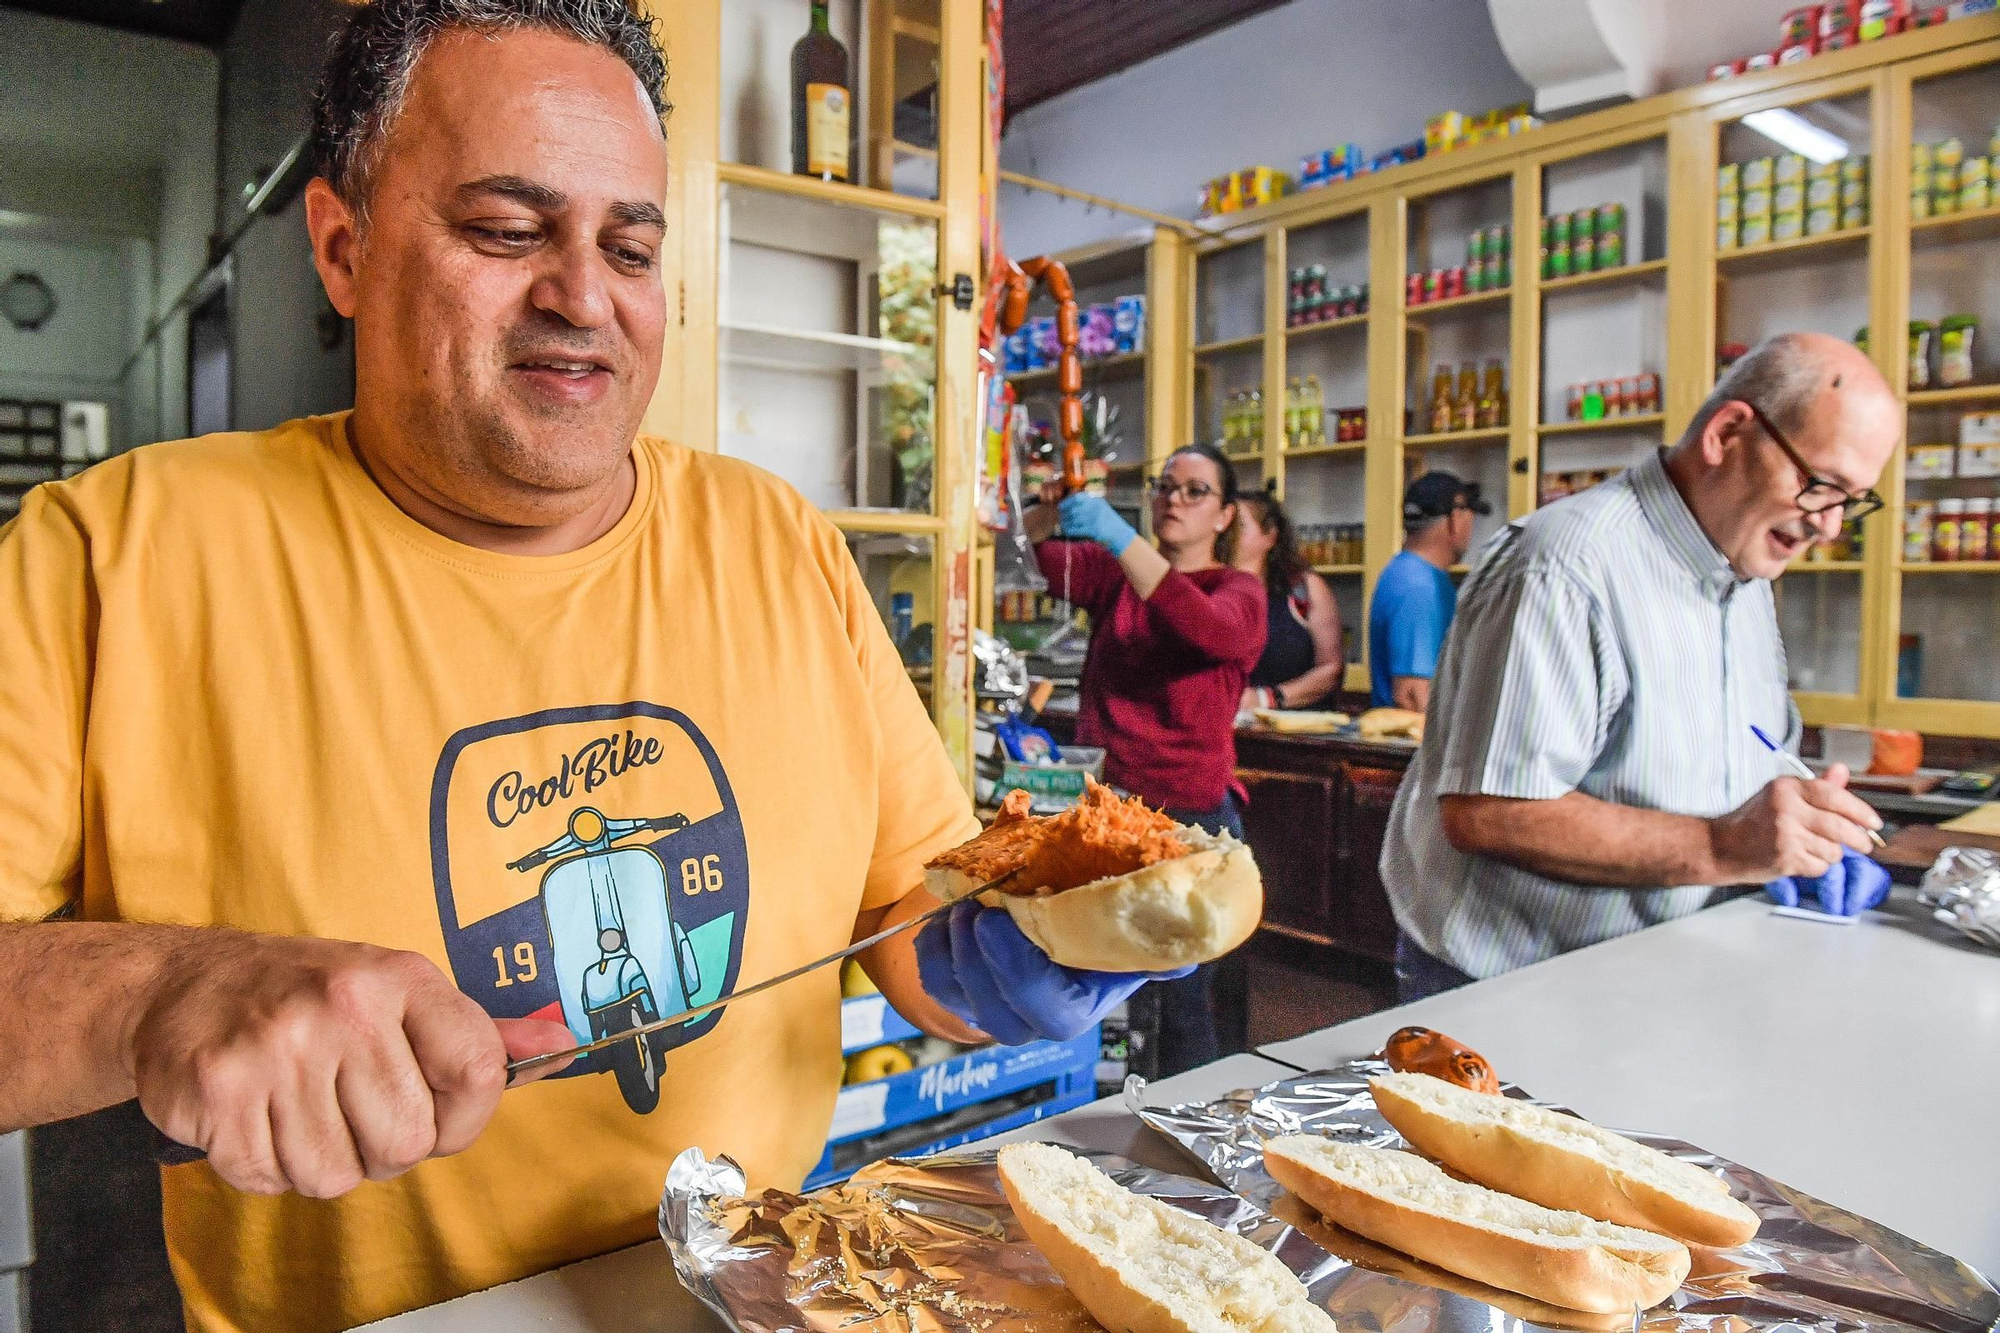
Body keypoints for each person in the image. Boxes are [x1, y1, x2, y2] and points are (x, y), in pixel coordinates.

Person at [0, 4, 1180, 1328]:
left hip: (748, 1301)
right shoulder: (116, 555)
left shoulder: (777, 541)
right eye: (506, 231)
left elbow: (904, 917)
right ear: (344, 246)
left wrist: (1011, 961)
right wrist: (160, 992)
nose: (582, 297)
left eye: (630, 246)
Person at [1380, 332, 1898, 1003]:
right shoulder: (1562, 568)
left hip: (1659, 975)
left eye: (1851, 500)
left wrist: (1801, 825)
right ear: (1729, 432)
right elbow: (1491, 812)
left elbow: (1756, 750)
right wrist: (1721, 846)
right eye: (1821, 486)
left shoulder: (1742, 578)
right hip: (1510, 993)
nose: (1829, 527)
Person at [1025, 444, 1266, 1074]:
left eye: (1194, 491)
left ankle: (1191, 1125)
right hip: (1111, 810)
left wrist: (1116, 534)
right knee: (1106, 992)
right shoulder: (1120, 581)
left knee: (1183, 1000)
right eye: (1165, 486)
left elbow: (1204, 628)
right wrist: (1044, 511)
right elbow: (1048, 562)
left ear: (1225, 515)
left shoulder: (1239, 592)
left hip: (1189, 820)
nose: (1173, 500)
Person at [1367, 472, 1488, 712]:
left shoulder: (1409, 574)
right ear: (1455, 519)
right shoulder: (1419, 587)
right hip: (1416, 745)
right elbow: (1412, 694)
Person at [1233, 487, 1346, 712]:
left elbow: (1331, 668)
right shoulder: (1207, 590)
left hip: (1296, 731)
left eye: (1239, 527)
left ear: (1270, 536)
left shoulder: (1302, 588)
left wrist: (1267, 698)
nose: (1228, 535)